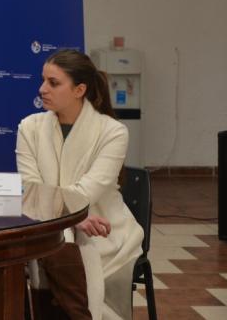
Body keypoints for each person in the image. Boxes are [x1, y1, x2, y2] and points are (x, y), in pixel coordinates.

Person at [16, 49, 144, 320]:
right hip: (47, 221)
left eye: (53, 82)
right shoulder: (29, 127)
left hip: (102, 228)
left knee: (55, 251)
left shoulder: (113, 132)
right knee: (28, 253)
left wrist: (69, 220)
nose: (42, 89)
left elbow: (87, 192)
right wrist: (70, 219)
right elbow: (31, 189)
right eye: (43, 80)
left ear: (79, 89)